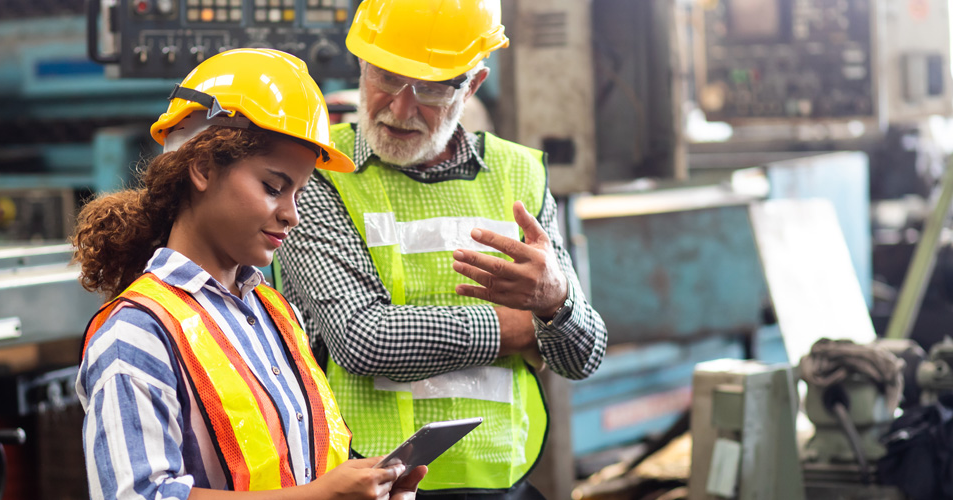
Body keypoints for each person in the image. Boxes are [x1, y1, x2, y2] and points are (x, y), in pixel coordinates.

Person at [275, 1, 609, 498]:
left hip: (502, 483)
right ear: (362, 64)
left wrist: (557, 302)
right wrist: (516, 327)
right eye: (386, 77)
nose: (400, 107)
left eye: (431, 87)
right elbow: (364, 338)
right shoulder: (320, 172)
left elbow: (582, 357)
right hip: (367, 484)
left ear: (472, 85)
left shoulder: (519, 175)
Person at [72, 48, 426, 500]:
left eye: (298, 192)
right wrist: (321, 497)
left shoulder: (276, 314)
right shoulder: (136, 333)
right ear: (201, 167)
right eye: (274, 187)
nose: (291, 214)